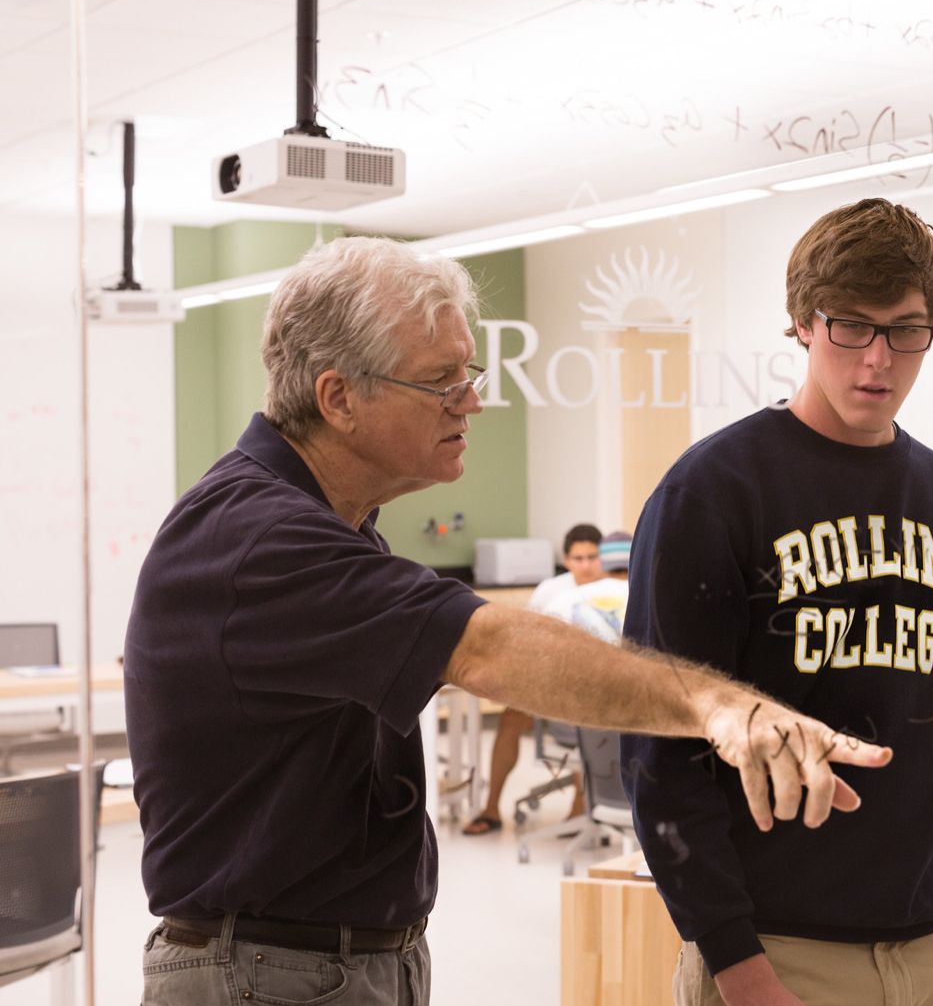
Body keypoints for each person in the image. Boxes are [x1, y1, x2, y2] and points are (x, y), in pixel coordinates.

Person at [123, 236, 891, 1006]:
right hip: (267, 972)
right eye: (440, 381)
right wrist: (715, 703)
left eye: (469, 372)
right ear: (338, 397)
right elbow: (486, 646)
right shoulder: (263, 540)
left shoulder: (332, 522)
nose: (472, 400)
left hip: (318, 962)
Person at [622, 199, 933, 1006]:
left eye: (906, 329)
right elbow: (658, 747)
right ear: (805, 325)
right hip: (780, 952)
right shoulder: (712, 493)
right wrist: (736, 960)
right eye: (851, 325)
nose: (877, 358)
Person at [463, 523, 605, 835]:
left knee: (592, 717)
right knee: (511, 718)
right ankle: (491, 807)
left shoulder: (614, 591)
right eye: (578, 558)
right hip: (549, 686)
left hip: (595, 693)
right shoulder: (551, 591)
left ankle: (579, 811)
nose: (585, 565)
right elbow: (523, 642)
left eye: (592, 557)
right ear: (566, 560)